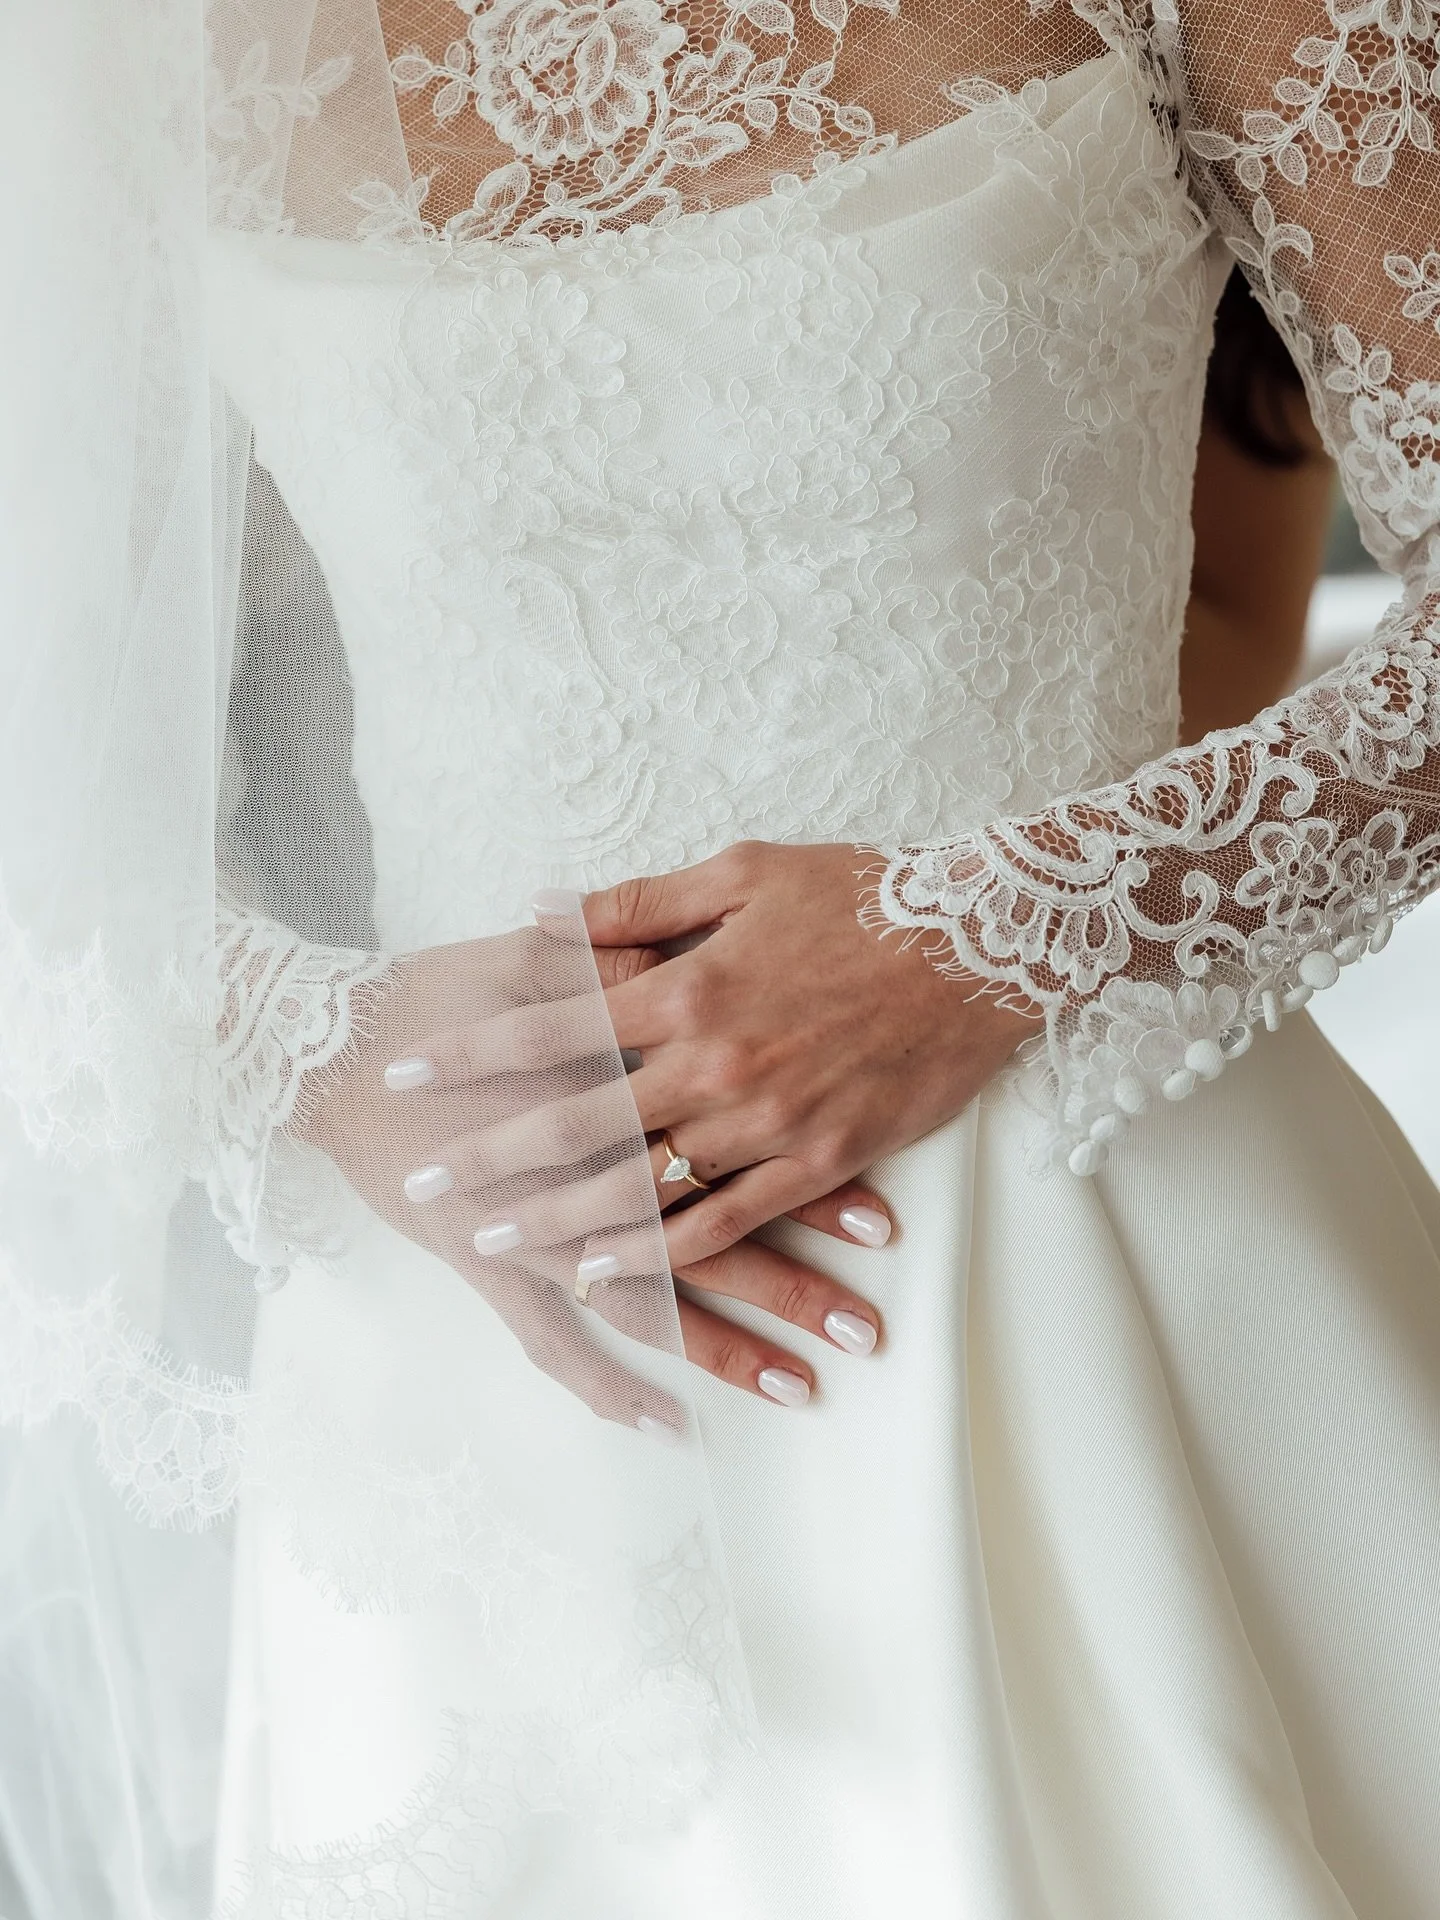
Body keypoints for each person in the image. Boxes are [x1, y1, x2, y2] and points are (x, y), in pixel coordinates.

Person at [2, 3, 1439, 1916]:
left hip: (1125, 1260)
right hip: (483, 1396)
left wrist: (999, 934)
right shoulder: (148, 49)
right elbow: (55, 769)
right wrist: (321, 1053)